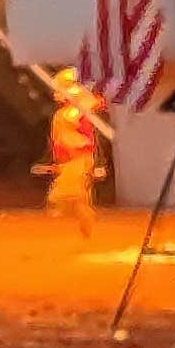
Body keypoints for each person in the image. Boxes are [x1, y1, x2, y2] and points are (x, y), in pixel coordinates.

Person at [42, 71, 107, 239]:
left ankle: (86, 221)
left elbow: (96, 102)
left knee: (64, 196)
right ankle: (86, 226)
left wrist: (82, 100)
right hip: (70, 160)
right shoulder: (62, 115)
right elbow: (59, 141)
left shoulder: (77, 111)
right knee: (77, 199)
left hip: (80, 159)